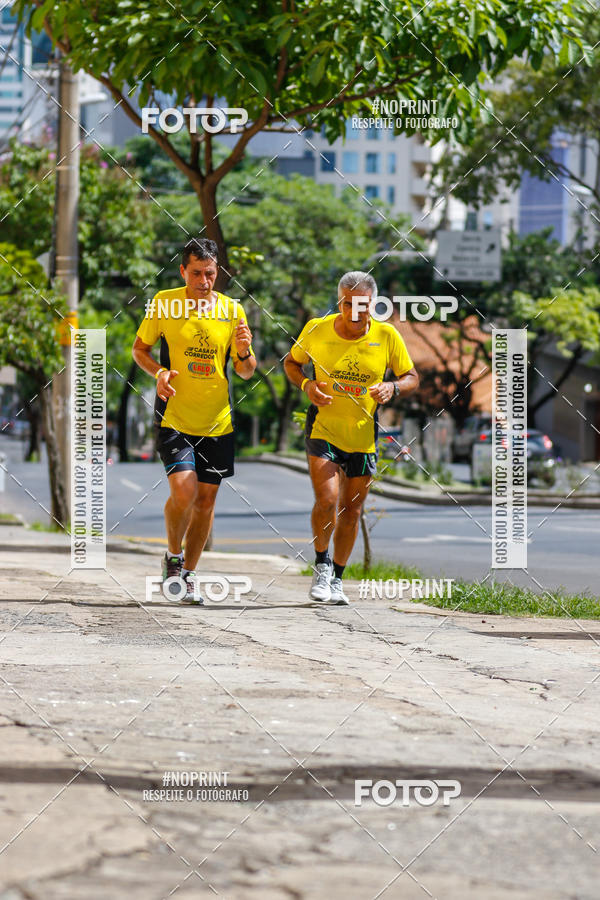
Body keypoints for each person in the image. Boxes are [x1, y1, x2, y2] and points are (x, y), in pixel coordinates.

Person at [283, 271, 418, 605]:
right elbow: (291, 363)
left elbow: (411, 376)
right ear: (339, 301)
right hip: (323, 430)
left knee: (351, 510)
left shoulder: (387, 336)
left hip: (362, 436)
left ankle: (338, 579)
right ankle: (321, 564)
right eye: (346, 303)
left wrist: (393, 386)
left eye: (361, 304)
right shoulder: (316, 329)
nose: (353, 311)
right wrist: (307, 385)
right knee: (327, 500)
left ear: (372, 304)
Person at [132, 238, 256, 602]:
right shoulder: (164, 303)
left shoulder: (233, 311)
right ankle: (172, 556)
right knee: (183, 490)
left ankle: (188, 574)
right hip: (175, 415)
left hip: (218, 420)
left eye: (211, 274)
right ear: (183, 271)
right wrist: (159, 373)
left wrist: (246, 350)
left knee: (205, 502)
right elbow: (140, 350)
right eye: (197, 273)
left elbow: (246, 371)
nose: (204, 281)